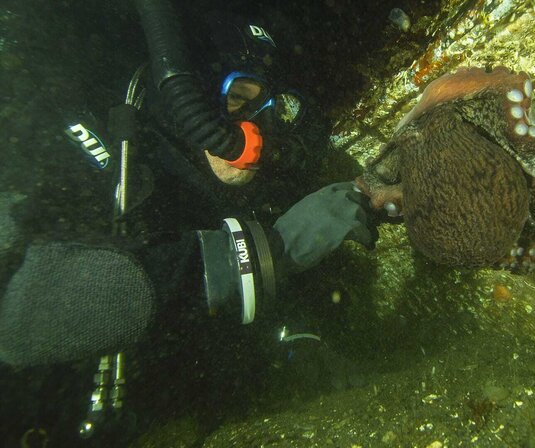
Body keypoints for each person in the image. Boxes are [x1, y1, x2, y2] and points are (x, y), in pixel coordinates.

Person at [0, 0, 377, 369]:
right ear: (188, 99)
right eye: (237, 98)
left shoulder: (223, 190)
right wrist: (268, 253)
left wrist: (294, 339)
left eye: (276, 110)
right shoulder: (79, 141)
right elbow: (21, 321)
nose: (257, 131)